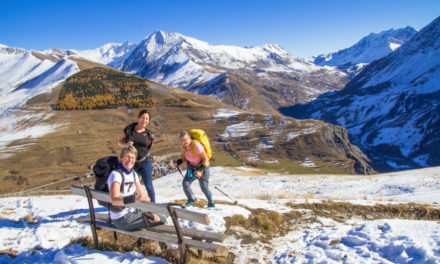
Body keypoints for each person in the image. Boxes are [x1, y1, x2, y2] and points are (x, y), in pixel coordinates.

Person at [108, 146, 165, 231]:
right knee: (161, 220)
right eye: (127, 157)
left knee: (159, 218)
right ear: (121, 158)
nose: (130, 160)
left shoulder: (134, 174)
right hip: (121, 217)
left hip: (132, 212)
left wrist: (147, 206)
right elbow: (114, 200)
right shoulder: (116, 175)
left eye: (133, 158)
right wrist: (135, 198)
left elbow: (142, 194)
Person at [118, 109, 156, 202]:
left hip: (144, 162)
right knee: (132, 186)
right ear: (138, 118)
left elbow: (148, 146)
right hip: (132, 163)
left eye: (147, 119)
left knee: (149, 185)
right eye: (143, 118)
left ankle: (154, 207)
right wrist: (125, 145)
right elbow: (119, 141)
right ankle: (135, 206)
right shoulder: (129, 130)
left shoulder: (148, 133)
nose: (144, 120)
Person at [175, 130, 214, 208]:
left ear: (189, 138)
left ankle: (211, 202)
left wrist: (200, 171)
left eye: (185, 140)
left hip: (202, 167)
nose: (183, 142)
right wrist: (180, 161)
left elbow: (205, 159)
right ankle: (191, 200)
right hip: (192, 168)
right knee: (185, 183)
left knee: (204, 187)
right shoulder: (184, 147)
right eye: (181, 140)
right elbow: (187, 157)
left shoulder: (196, 145)